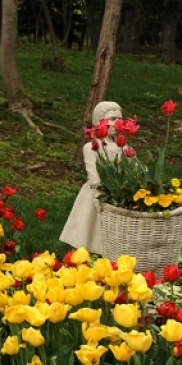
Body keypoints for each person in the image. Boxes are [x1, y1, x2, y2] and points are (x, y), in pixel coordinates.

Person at [60, 101, 123, 255]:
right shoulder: (91, 147)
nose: (117, 123)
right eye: (112, 118)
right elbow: (94, 177)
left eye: (120, 119)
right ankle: (83, 256)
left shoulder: (123, 148)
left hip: (119, 196)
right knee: (90, 228)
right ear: (98, 122)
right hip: (98, 194)